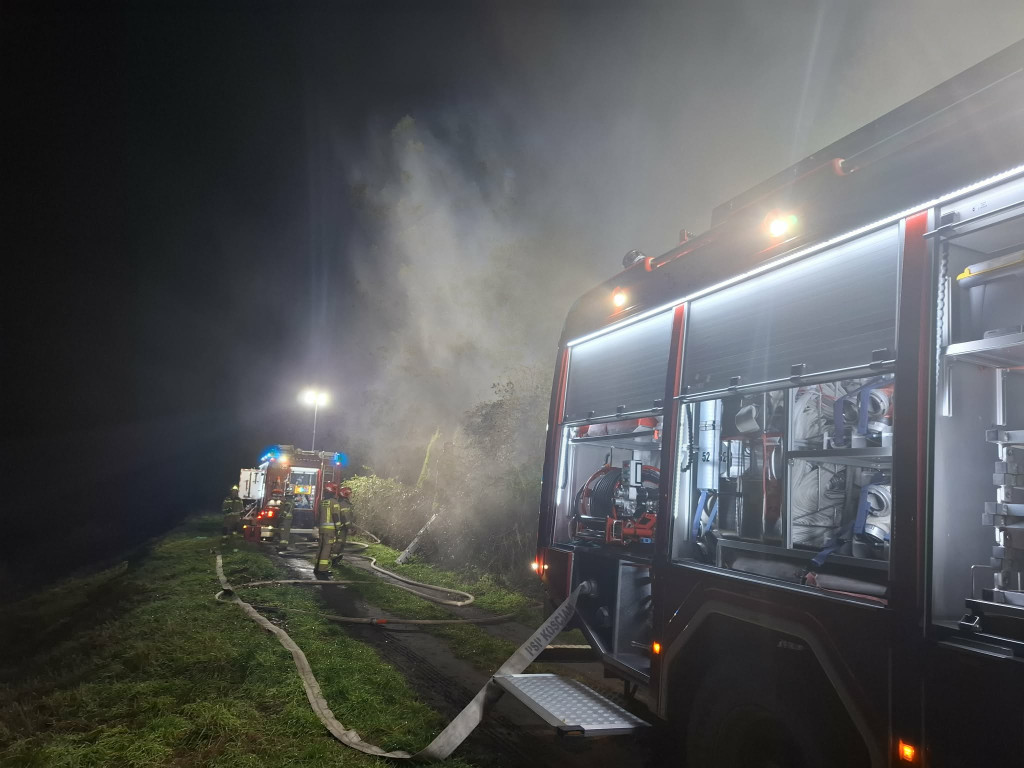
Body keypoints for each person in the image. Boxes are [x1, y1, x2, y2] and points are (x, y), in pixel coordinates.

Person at [314, 483, 340, 575]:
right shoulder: (334, 502)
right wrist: (338, 528)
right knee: (326, 549)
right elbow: (335, 515)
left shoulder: (322, 502)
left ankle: (317, 567)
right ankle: (322, 569)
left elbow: (318, 515)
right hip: (330, 530)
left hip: (322, 529)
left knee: (320, 548)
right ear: (333, 491)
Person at [330, 486, 354, 564]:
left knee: (339, 543)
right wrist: (350, 527)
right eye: (349, 494)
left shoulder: (340, 502)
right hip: (342, 528)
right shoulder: (344, 504)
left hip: (340, 527)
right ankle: (334, 560)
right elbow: (346, 517)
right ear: (345, 494)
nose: (351, 496)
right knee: (339, 543)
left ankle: (336, 559)